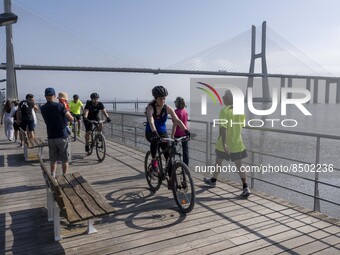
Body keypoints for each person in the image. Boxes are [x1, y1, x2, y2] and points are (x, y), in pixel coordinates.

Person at [203, 89, 251, 197]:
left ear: (230, 99)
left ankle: (213, 181)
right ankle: (245, 187)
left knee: (218, 162)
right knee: (239, 165)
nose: (223, 98)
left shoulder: (224, 111)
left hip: (224, 143)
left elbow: (223, 128)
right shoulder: (240, 111)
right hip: (237, 142)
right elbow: (242, 125)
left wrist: (224, 143)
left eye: (225, 97)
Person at [145, 86, 190, 180]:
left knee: (168, 156)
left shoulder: (168, 108)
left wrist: (186, 130)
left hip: (162, 132)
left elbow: (177, 120)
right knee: (155, 141)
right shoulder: (150, 108)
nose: (163, 100)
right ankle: (154, 162)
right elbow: (151, 120)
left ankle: (171, 179)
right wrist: (154, 132)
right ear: (155, 98)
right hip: (151, 131)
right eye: (160, 98)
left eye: (164, 98)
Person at [41, 87, 74, 177]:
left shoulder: (43, 108)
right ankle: (64, 176)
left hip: (51, 136)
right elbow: (71, 118)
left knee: (53, 159)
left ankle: (53, 176)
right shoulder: (59, 106)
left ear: (45, 96)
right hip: (62, 136)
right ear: (54, 96)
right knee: (65, 159)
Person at [171, 96, 189, 166]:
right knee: (185, 151)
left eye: (175, 102)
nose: (175, 103)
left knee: (172, 150)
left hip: (177, 134)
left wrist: (172, 135)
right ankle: (186, 166)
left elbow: (175, 125)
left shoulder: (175, 112)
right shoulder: (185, 111)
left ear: (178, 103)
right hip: (185, 132)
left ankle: (172, 164)